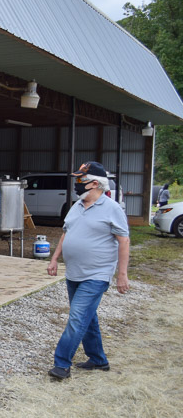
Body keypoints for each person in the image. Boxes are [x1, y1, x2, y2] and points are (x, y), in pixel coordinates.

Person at [47, 161, 130, 380]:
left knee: (76, 318)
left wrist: (122, 274)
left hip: (97, 274)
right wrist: (55, 258)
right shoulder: (76, 205)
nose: (76, 184)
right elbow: (66, 232)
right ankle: (98, 360)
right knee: (87, 317)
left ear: (94, 183)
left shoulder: (112, 208)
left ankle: (61, 364)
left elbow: (123, 240)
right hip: (74, 273)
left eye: (80, 180)